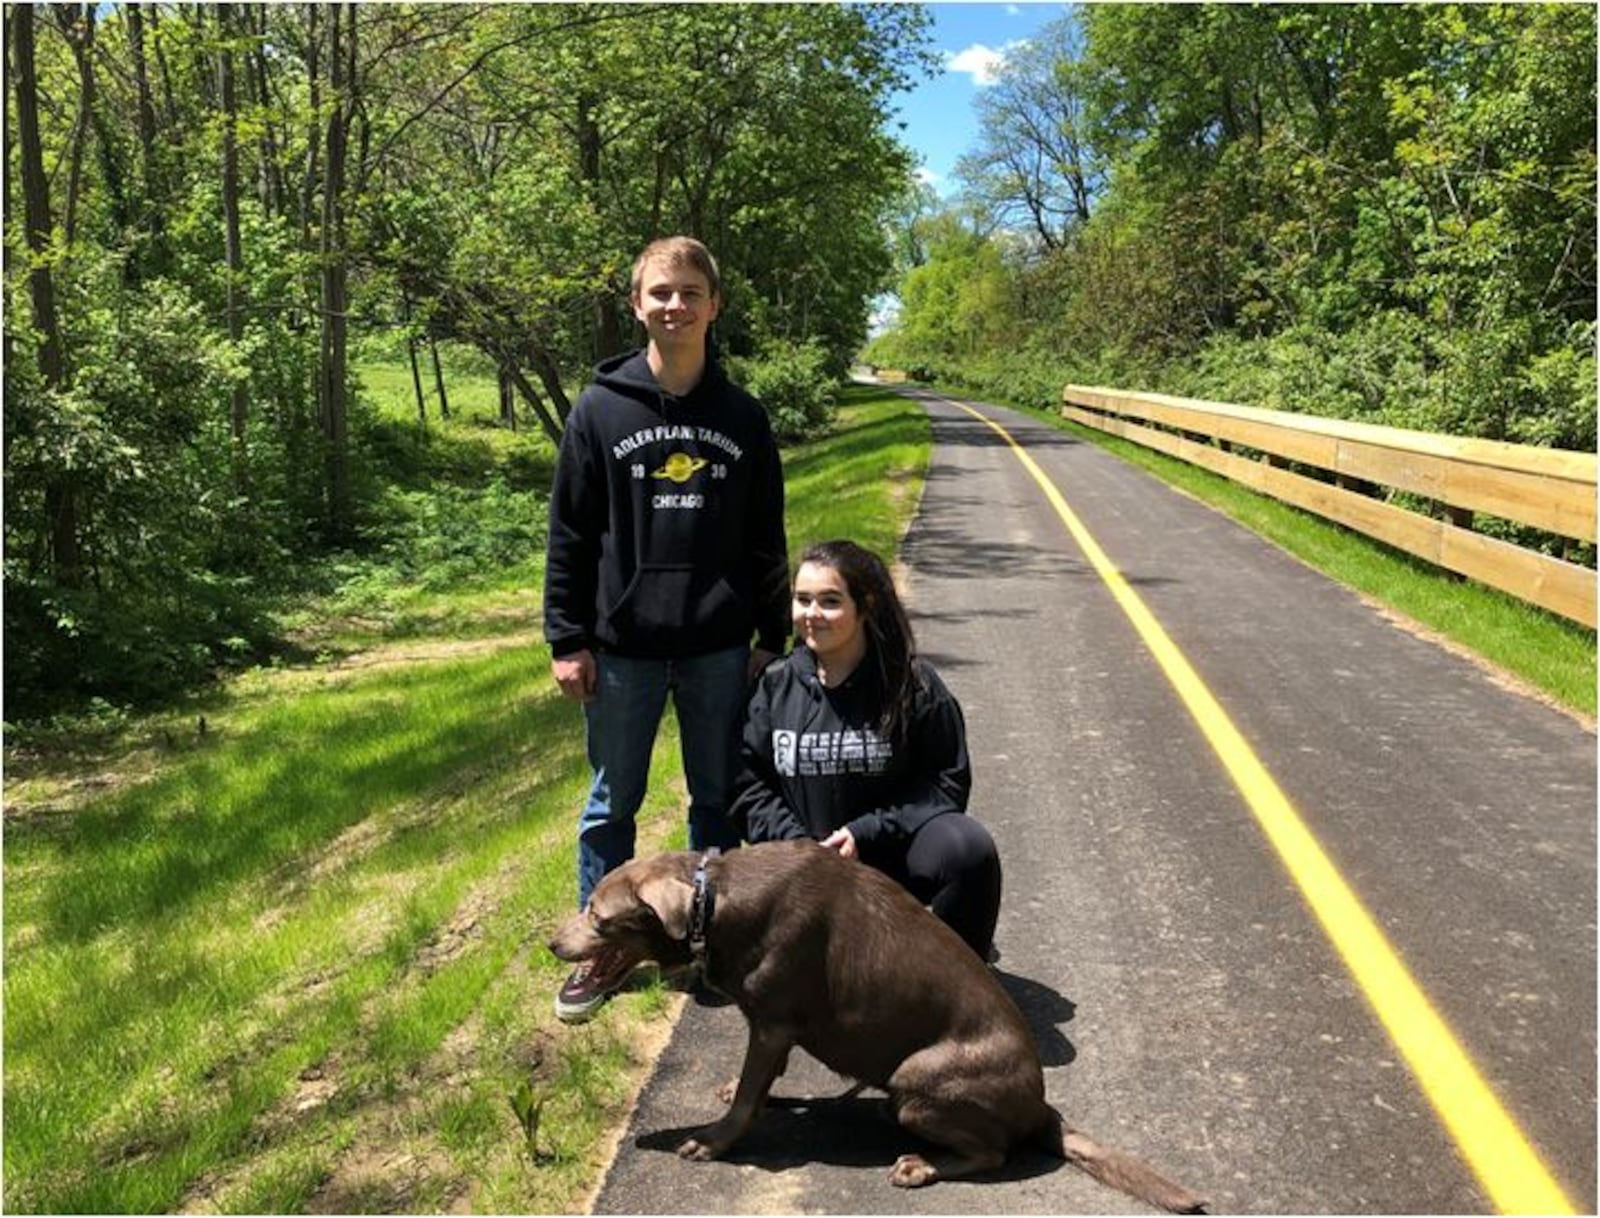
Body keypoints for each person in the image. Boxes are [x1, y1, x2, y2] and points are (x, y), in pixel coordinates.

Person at [544, 236, 789, 1022]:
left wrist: (770, 636)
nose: (674, 305)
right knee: (611, 802)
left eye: (689, 292)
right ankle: (601, 950)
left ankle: (708, 947)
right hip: (622, 651)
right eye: (660, 293)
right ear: (636, 305)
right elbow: (571, 535)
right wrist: (566, 638)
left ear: (714, 305)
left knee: (717, 801)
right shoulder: (599, 410)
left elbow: (765, 537)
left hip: (719, 645)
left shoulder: (743, 418)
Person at [730, 539, 1001, 961]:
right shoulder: (775, 684)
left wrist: (863, 832)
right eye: (803, 600)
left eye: (830, 601)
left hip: (889, 859)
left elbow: (946, 781)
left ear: (865, 605)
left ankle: (958, 981)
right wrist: (802, 846)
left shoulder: (912, 685)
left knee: (967, 848)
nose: (812, 615)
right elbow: (747, 785)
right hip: (802, 868)